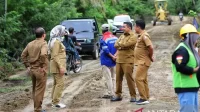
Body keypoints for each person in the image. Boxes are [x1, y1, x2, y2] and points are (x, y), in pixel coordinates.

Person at [171, 24, 200, 112]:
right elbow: (180, 66)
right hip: (185, 87)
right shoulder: (182, 50)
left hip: (192, 87)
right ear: (189, 36)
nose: (196, 39)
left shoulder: (190, 50)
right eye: (195, 37)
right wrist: (194, 70)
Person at [21, 27, 48, 112]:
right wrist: (42, 66)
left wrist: (27, 65)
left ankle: (36, 108)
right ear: (43, 35)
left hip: (32, 70)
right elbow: (43, 55)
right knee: (39, 90)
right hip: (40, 70)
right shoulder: (43, 43)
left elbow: (23, 55)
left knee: (35, 89)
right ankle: (38, 109)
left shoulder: (30, 43)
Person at [111, 22, 137, 102]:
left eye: (124, 27)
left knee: (129, 79)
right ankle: (118, 95)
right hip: (119, 60)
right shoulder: (122, 36)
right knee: (118, 79)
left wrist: (120, 45)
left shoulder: (133, 36)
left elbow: (127, 45)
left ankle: (133, 96)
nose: (122, 28)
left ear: (129, 27)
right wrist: (121, 45)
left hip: (128, 61)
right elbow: (115, 45)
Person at [134, 20, 154, 105]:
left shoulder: (144, 36)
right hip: (140, 61)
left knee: (138, 78)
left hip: (143, 62)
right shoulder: (140, 36)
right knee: (143, 79)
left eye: (135, 26)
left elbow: (150, 47)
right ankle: (146, 96)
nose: (134, 28)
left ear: (138, 27)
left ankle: (143, 98)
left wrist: (150, 56)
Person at [48, 25, 67, 108]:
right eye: (62, 30)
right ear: (58, 31)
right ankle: (56, 103)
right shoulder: (56, 41)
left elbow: (50, 54)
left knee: (56, 84)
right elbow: (55, 55)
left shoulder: (54, 40)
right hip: (57, 66)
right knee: (60, 84)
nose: (64, 32)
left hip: (55, 65)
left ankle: (54, 101)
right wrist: (61, 67)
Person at [100, 24, 118, 98]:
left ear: (102, 30)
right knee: (113, 77)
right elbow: (119, 48)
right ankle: (113, 91)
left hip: (106, 60)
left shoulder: (103, 38)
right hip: (114, 60)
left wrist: (112, 56)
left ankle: (110, 93)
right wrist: (115, 56)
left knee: (108, 78)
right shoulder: (115, 38)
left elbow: (106, 50)